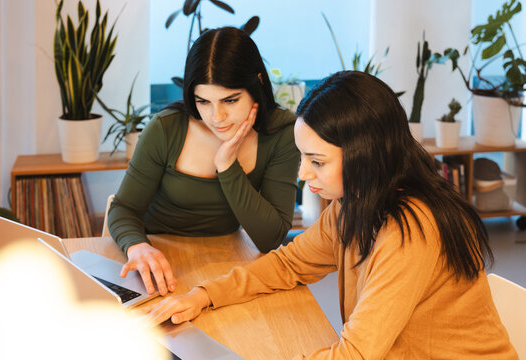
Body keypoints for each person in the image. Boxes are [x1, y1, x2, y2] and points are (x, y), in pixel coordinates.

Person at [144, 71, 518, 359]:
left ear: (364, 155)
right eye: (302, 157)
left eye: (317, 161)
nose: (303, 173)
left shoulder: (410, 230)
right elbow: (289, 265)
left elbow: (356, 354)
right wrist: (203, 295)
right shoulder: (354, 202)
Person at [107, 27, 300, 298]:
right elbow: (123, 208)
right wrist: (137, 246)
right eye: (203, 101)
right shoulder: (166, 128)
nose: (216, 116)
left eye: (230, 100)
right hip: (157, 259)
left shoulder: (282, 133)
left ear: (257, 84)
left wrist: (227, 165)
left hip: (226, 260)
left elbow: (270, 239)